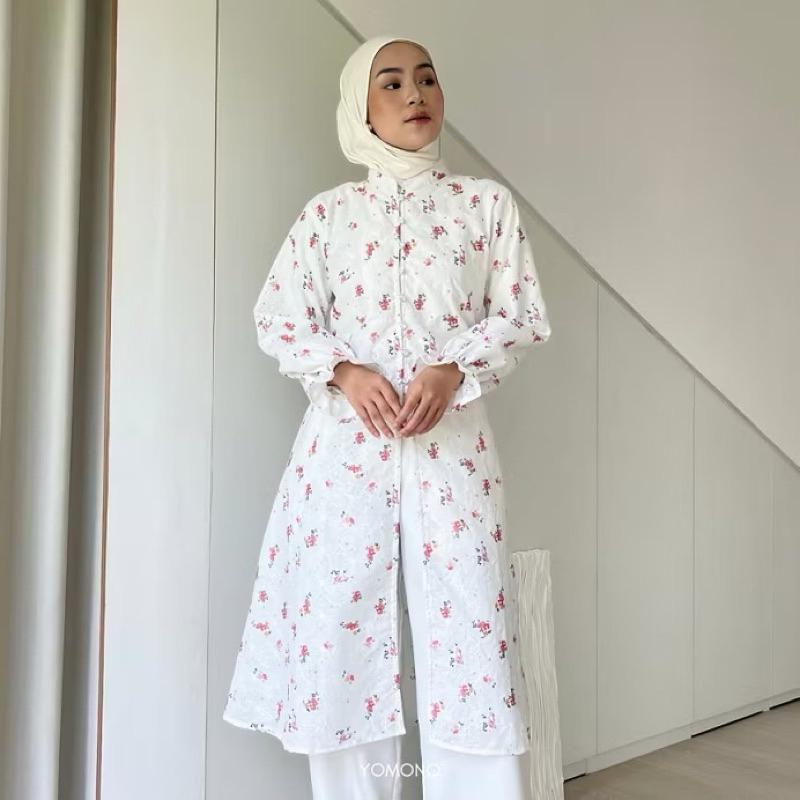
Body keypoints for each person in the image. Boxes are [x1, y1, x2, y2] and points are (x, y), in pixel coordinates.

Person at [223, 35, 552, 800]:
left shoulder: (485, 206)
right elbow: (278, 317)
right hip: (343, 455)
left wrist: (454, 367)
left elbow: (519, 313)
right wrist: (343, 371)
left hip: (454, 451)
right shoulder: (328, 216)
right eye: (392, 83)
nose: (415, 94)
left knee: (470, 633)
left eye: (427, 79)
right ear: (360, 108)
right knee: (341, 633)